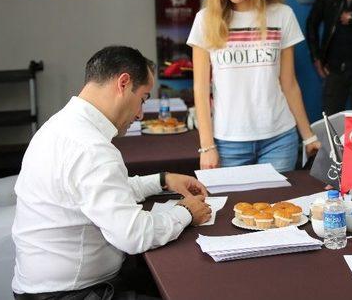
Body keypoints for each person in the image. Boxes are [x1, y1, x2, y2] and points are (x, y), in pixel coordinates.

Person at [12, 46, 212, 299]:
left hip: (49, 286)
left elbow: (98, 194)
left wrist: (162, 181)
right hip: (73, 293)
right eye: (143, 98)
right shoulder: (91, 148)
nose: (140, 114)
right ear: (124, 83)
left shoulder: (60, 125)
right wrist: (185, 212)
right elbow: (134, 236)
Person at [187, 0, 320, 172]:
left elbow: (289, 83)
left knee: (280, 208)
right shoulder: (205, 20)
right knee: (232, 209)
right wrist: (206, 146)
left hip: (279, 137)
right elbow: (200, 88)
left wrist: (308, 135)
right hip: (228, 141)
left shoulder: (282, 15)